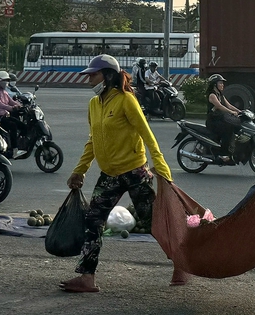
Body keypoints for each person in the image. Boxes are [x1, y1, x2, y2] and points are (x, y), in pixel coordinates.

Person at [60, 54, 172, 293]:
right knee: (93, 221)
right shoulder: (93, 105)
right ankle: (87, 277)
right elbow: (93, 141)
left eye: (94, 74)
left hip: (135, 172)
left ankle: (182, 263)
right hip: (109, 175)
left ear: (109, 76)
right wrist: (79, 170)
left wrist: (161, 168)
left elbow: (147, 135)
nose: (89, 79)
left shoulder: (125, 101)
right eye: (88, 75)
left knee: (153, 223)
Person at [205, 74, 242, 162]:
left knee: (233, 126)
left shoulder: (220, 95)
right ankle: (223, 154)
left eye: (222, 83)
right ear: (215, 85)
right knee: (227, 131)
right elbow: (220, 106)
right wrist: (231, 112)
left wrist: (240, 111)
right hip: (213, 121)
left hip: (220, 119)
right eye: (220, 83)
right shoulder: (212, 95)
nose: (222, 85)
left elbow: (229, 105)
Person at [0, 71, 24, 159]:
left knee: (21, 125)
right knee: (13, 126)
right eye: (3, 80)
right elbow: (0, 104)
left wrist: (20, 106)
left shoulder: (5, 92)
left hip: (4, 115)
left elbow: (12, 102)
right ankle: (14, 150)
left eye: (7, 80)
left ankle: (20, 144)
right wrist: (11, 108)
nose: (5, 82)